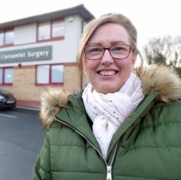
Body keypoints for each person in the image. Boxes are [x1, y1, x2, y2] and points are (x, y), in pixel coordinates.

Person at [32, 13, 181, 180]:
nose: (107, 59)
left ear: (133, 58)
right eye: (95, 49)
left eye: (118, 48)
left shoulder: (176, 116)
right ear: (83, 61)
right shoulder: (61, 123)